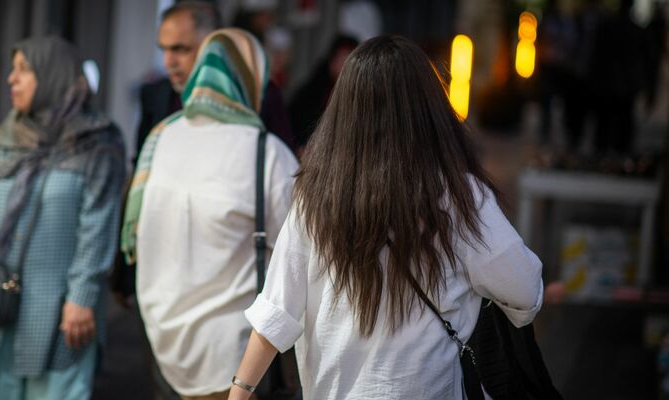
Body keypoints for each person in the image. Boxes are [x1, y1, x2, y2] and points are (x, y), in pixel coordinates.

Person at [228, 35, 544, 399]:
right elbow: (524, 290)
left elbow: (275, 312)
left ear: (344, 109)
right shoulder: (459, 196)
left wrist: (239, 392)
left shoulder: (314, 197)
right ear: (428, 107)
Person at [120, 28, 299, 399]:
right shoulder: (266, 153)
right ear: (253, 79)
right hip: (232, 356)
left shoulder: (161, 138)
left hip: (161, 340)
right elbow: (299, 253)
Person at [0, 36, 125, 399]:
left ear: (53, 75)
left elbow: (98, 228)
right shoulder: (7, 135)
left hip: (61, 314)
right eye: (12, 70)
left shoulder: (98, 142)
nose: (11, 79)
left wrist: (82, 296)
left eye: (23, 70)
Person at [135, 1, 295, 160]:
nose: (168, 62)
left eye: (181, 49)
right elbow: (141, 164)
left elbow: (283, 162)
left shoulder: (262, 94)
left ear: (214, 47)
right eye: (164, 49)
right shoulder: (155, 95)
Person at [288, 35, 358, 148]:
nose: (342, 66)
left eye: (347, 60)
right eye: (339, 59)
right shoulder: (313, 91)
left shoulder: (361, 96)